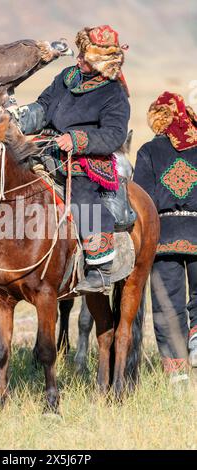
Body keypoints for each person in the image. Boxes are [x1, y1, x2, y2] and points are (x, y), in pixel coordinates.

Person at [0, 25, 131, 302]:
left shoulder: (114, 94)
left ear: (102, 63)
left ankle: (99, 264)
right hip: (47, 150)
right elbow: (43, 108)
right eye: (80, 54)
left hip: (86, 161)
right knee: (7, 190)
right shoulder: (66, 77)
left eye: (86, 58)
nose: (79, 59)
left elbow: (114, 134)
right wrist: (17, 118)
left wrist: (78, 139)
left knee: (83, 201)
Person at [133, 91, 197, 382]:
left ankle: (177, 374)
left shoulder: (147, 151)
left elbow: (142, 199)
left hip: (162, 237)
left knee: (167, 304)